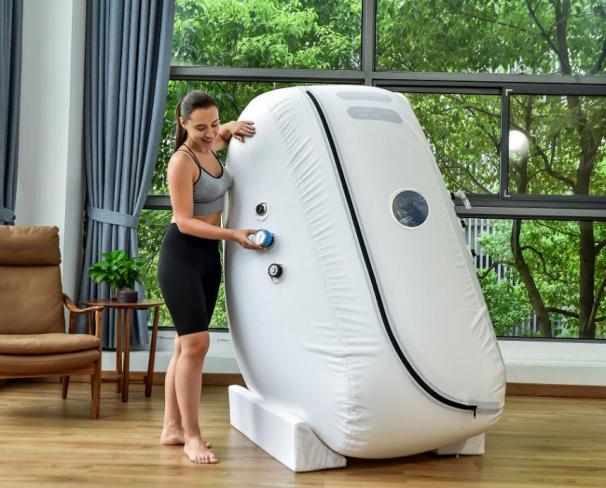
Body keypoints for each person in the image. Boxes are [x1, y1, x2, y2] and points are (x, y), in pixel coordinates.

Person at [157, 90, 263, 464]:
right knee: (197, 345)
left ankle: (171, 427)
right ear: (182, 122)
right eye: (200, 127)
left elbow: (223, 134)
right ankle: (192, 436)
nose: (209, 132)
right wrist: (233, 235)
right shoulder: (181, 162)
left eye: (213, 123)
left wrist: (230, 127)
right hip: (182, 256)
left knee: (185, 346)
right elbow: (184, 222)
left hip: (207, 257)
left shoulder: (211, 144)